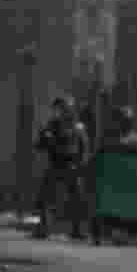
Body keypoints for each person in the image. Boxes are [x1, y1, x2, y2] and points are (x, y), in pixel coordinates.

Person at [34, 97, 88, 240]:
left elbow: (83, 147)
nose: (61, 113)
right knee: (46, 197)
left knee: (76, 198)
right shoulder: (52, 126)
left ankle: (77, 229)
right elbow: (40, 145)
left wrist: (80, 163)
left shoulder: (77, 127)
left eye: (64, 109)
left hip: (70, 165)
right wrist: (45, 137)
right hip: (57, 165)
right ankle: (44, 228)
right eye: (59, 109)